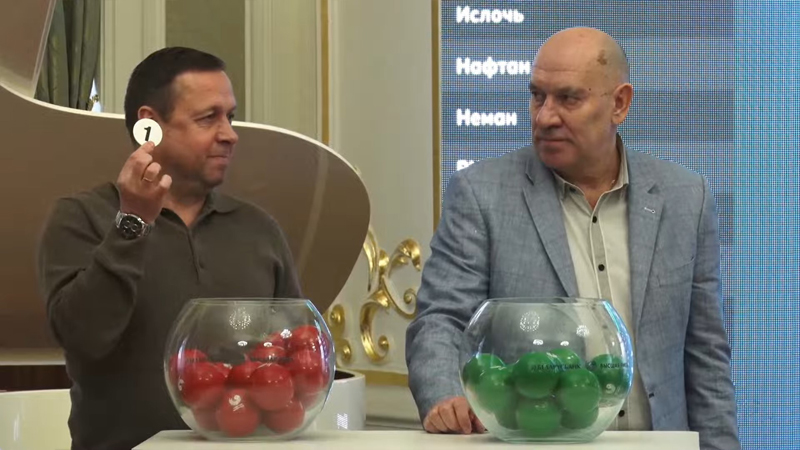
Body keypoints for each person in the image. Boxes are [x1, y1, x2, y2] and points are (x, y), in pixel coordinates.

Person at [406, 27, 739, 450]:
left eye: (568, 98)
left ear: (619, 104)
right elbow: (441, 320)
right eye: (537, 96)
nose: (545, 117)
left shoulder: (687, 198)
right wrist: (445, 396)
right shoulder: (480, 194)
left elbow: (705, 355)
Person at [36, 47, 301, 450]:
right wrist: (132, 222)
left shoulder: (260, 230)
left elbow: (294, 355)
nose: (230, 134)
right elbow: (84, 337)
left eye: (230, 117)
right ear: (150, 128)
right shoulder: (80, 217)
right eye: (208, 118)